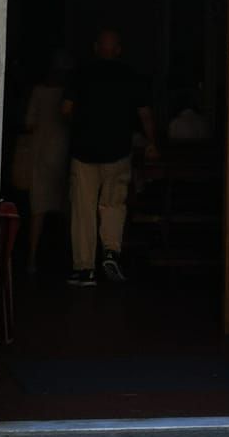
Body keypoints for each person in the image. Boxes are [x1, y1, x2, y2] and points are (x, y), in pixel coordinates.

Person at [63, 29, 157, 286]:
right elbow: (145, 114)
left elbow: (66, 110)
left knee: (83, 209)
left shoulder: (80, 73)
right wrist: (151, 142)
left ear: (96, 48)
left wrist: (81, 125)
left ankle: (84, 269)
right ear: (118, 50)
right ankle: (111, 251)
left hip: (84, 152)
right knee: (114, 204)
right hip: (117, 151)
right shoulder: (131, 76)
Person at [19, 50, 72, 274]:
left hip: (41, 154)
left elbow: (29, 122)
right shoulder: (69, 94)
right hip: (65, 154)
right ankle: (72, 259)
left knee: (38, 210)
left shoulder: (39, 92)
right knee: (69, 210)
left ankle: (31, 259)